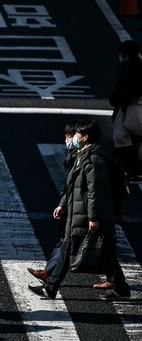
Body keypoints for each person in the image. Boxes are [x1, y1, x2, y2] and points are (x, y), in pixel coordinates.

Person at [28, 120, 132, 300]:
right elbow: (72, 186)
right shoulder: (82, 155)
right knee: (89, 249)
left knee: (73, 247)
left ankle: (51, 288)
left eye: (76, 134)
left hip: (85, 214)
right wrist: (62, 204)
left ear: (85, 137)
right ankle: (122, 288)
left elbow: (94, 191)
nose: (74, 137)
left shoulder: (93, 159)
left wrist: (93, 217)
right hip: (78, 211)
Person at [27, 120, 79, 284]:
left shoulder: (84, 158)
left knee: (70, 242)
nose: (67, 140)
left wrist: (64, 205)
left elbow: (79, 187)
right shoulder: (76, 155)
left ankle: (51, 280)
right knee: (67, 240)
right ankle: (49, 273)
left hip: (81, 208)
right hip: (76, 205)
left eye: (70, 136)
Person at [109, 40, 142, 218]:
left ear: (124, 55)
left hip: (126, 131)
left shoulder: (126, 72)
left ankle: (116, 212)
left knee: (119, 173)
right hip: (139, 129)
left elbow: (117, 97)